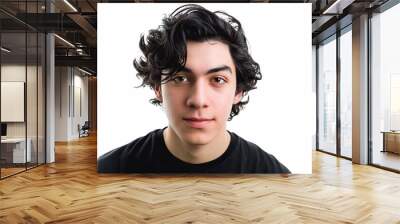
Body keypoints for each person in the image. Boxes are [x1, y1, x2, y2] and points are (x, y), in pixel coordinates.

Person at [98, 4, 290, 173]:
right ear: (157, 88)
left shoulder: (273, 175)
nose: (198, 100)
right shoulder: (111, 168)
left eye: (218, 79)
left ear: (238, 91)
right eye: (180, 78)